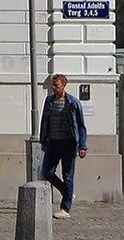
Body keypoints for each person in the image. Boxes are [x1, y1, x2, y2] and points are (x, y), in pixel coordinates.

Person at [37, 72, 87, 219]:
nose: (53, 88)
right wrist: (43, 140)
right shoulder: (49, 101)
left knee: (68, 176)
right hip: (53, 142)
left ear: (63, 86)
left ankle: (65, 208)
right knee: (46, 172)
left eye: (56, 86)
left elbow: (81, 125)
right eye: (52, 85)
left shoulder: (72, 103)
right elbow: (44, 121)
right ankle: (68, 193)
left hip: (69, 144)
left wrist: (82, 146)